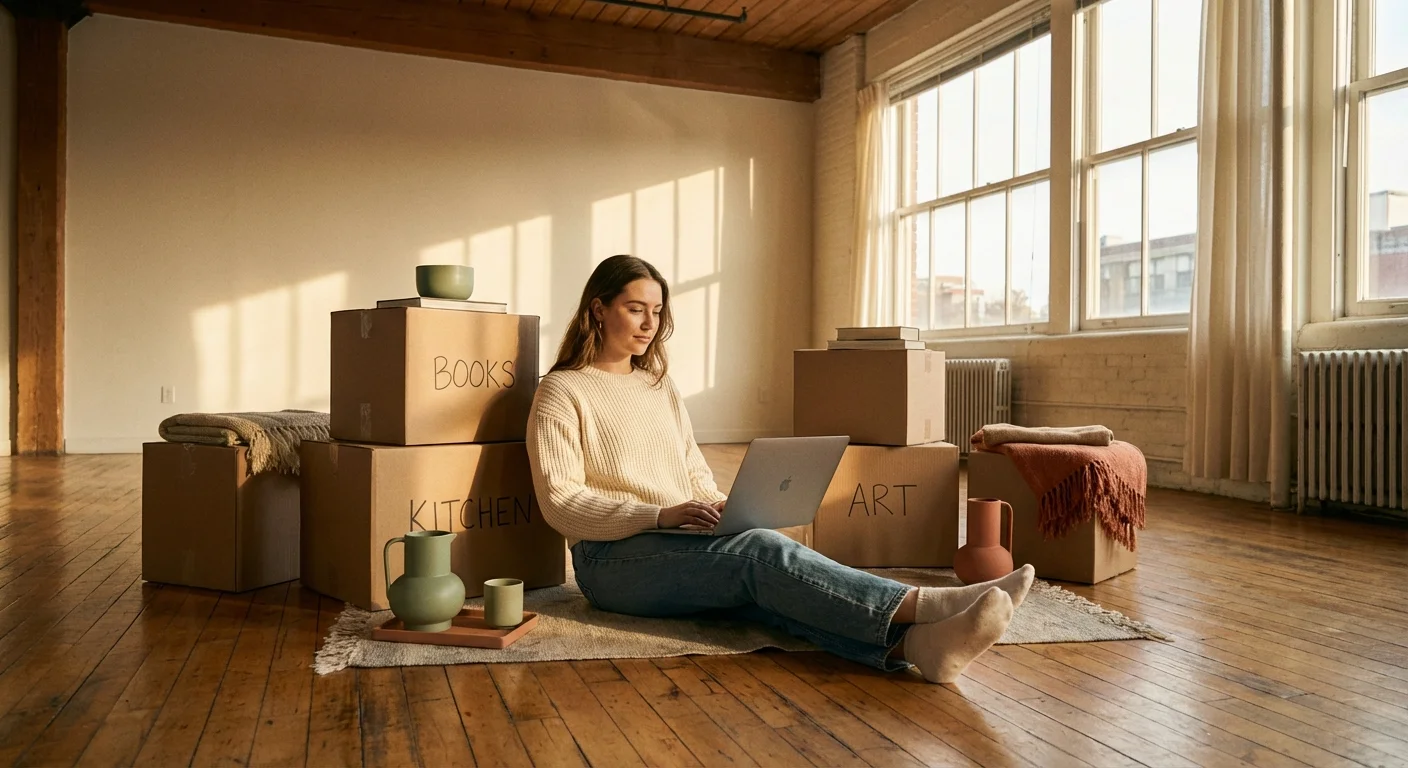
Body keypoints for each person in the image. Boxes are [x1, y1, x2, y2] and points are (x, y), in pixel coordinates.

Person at [525, 255, 1033, 683]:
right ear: (598, 309)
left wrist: (718, 504)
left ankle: (916, 648)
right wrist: (661, 515)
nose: (649, 324)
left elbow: (691, 465)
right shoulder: (561, 392)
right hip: (607, 563)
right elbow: (561, 504)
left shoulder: (656, 386)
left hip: (673, 540)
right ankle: (928, 605)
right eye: (635, 309)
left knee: (772, 592)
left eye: (656, 311)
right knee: (760, 554)